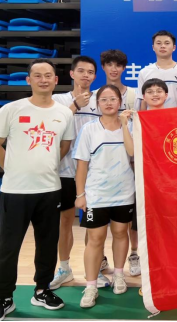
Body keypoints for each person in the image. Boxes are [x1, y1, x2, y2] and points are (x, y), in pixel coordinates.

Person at [0, 59, 75, 319]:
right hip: (15, 190)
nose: (43, 80)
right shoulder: (11, 109)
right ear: (28, 80)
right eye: (38, 75)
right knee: (8, 247)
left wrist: (49, 164)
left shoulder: (64, 113)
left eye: (48, 75)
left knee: (47, 244)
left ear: (56, 80)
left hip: (50, 189)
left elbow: (65, 145)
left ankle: (42, 290)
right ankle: (5, 296)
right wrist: (9, 167)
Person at [51, 56, 112, 290]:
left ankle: (93, 270)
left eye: (90, 72)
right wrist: (75, 106)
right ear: (72, 74)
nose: (86, 75)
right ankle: (64, 268)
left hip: (94, 174)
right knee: (65, 222)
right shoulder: (59, 100)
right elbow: (54, 126)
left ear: (95, 76)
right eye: (81, 71)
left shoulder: (101, 99)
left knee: (93, 225)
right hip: (65, 171)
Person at [74, 86, 135, 309]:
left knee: (120, 233)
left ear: (120, 102)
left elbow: (133, 154)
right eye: (104, 99)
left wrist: (126, 124)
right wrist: (80, 194)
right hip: (96, 194)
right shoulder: (89, 129)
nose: (109, 103)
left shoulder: (130, 126)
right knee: (95, 239)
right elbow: (82, 165)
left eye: (113, 99)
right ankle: (91, 286)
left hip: (125, 193)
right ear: (97, 103)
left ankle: (119, 275)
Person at [99, 49, 141, 278]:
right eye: (109, 64)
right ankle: (100, 258)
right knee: (97, 225)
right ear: (103, 67)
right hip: (103, 167)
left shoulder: (134, 95)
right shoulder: (97, 95)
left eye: (118, 65)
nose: (114, 69)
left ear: (124, 68)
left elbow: (142, 125)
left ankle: (134, 254)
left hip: (131, 164)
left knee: (130, 219)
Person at [136, 31, 177, 110]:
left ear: (174, 47)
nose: (163, 46)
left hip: (176, 116)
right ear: (153, 47)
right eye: (158, 43)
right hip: (152, 116)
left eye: (167, 43)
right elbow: (143, 100)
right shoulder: (144, 72)